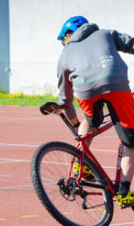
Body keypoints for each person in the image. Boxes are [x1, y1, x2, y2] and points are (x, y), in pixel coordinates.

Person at [55, 15, 134, 206]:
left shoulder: (64, 55)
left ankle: (79, 164)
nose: (64, 42)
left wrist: (74, 123)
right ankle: (124, 191)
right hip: (115, 83)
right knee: (130, 140)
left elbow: (65, 99)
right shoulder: (106, 34)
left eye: (63, 38)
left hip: (85, 90)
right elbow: (131, 44)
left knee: (90, 121)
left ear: (68, 35)